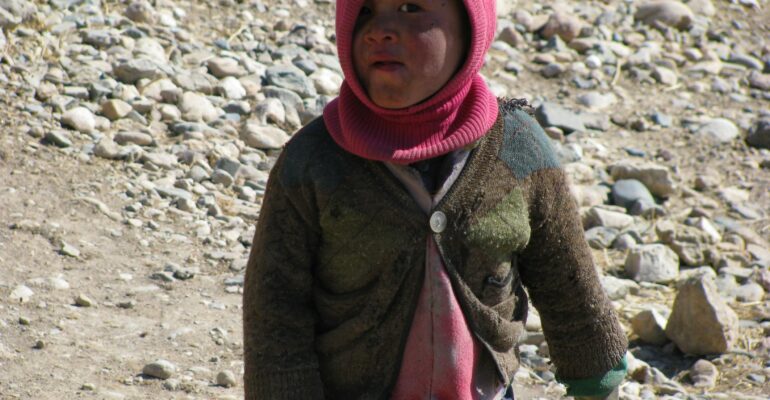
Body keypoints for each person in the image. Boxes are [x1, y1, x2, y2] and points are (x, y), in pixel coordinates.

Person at [242, 0, 628, 399]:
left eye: (410, 8)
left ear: (470, 31)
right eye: (365, 12)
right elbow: (275, 305)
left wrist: (597, 378)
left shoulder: (517, 149)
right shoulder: (314, 162)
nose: (379, 31)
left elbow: (566, 277)